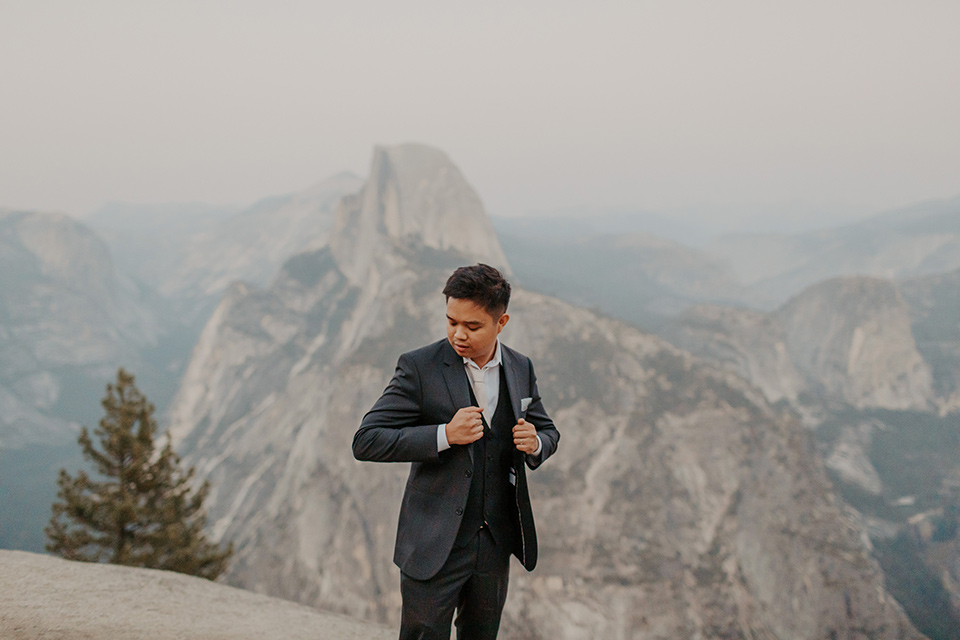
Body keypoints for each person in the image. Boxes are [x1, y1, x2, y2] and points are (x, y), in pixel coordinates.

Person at [353, 263, 560, 640]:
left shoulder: (520, 367)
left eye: (472, 326)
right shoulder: (419, 367)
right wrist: (444, 435)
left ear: (502, 322)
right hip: (434, 543)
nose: (458, 334)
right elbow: (366, 439)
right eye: (451, 322)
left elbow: (547, 430)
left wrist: (538, 444)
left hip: (494, 544)